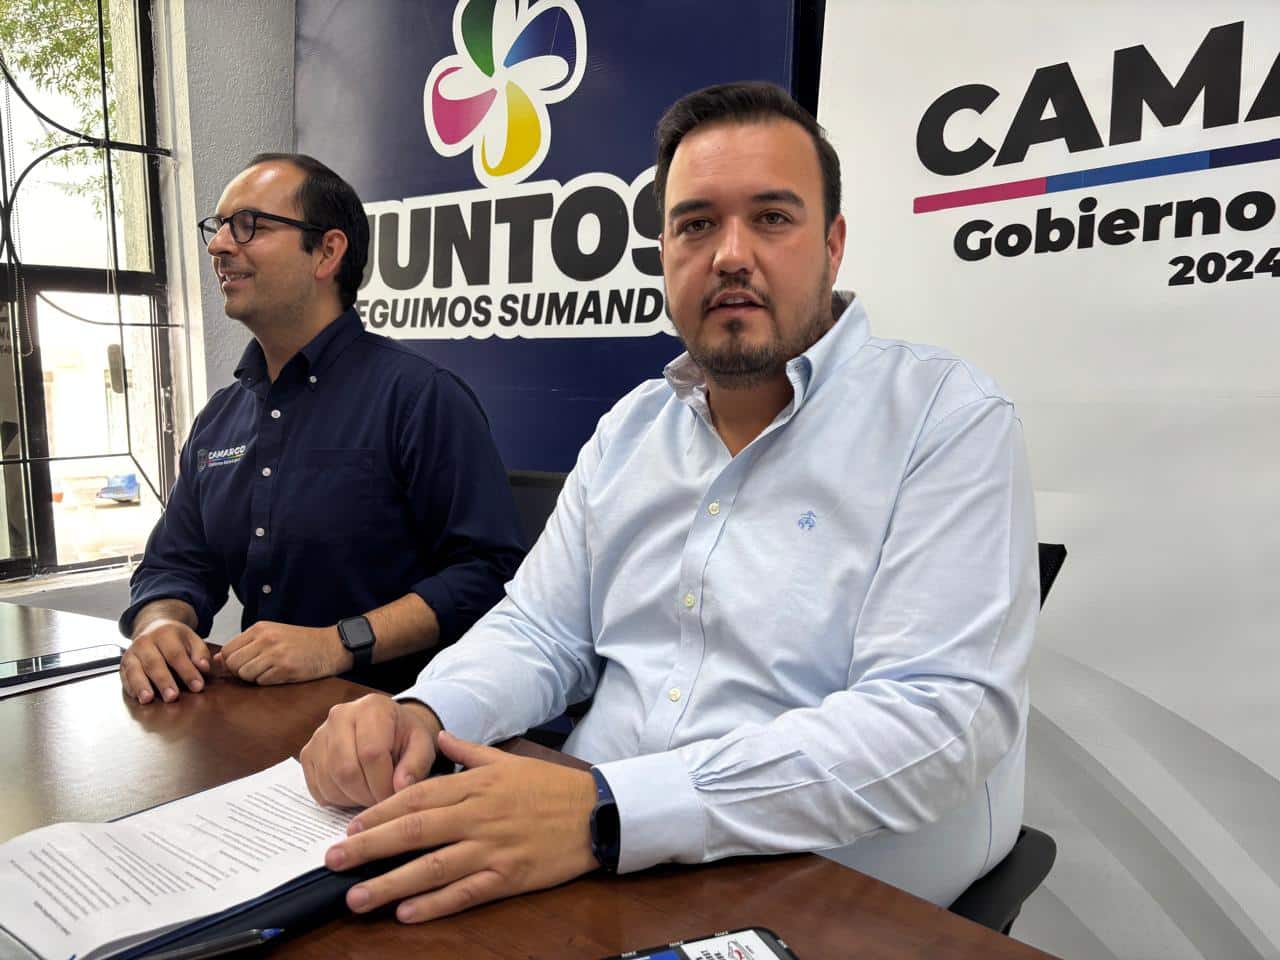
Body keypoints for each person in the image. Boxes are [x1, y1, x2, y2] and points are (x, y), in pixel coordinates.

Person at [299, 82, 1038, 923]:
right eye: (695, 224)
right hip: (584, 845)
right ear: (663, 252)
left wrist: (612, 811)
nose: (730, 255)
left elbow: (936, 722)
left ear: (833, 246)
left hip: (826, 880)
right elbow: (542, 629)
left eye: (772, 218)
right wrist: (423, 712)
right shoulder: (632, 430)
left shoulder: (945, 419)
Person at [119, 153, 525, 703]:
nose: (219, 246)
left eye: (249, 225)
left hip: (404, 719)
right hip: (263, 718)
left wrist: (338, 643)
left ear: (328, 252)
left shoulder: (420, 398)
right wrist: (159, 625)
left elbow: (489, 573)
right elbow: (175, 562)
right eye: (219, 227)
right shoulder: (220, 419)